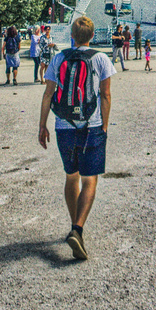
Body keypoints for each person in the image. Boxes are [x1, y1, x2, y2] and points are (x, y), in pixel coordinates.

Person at [39, 15, 115, 261]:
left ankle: (74, 225)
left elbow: (48, 93)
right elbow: (105, 94)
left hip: (64, 126)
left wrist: (43, 126)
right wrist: (104, 124)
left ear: (72, 36)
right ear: (92, 36)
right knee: (90, 180)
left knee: (71, 176)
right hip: (90, 125)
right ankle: (78, 229)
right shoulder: (101, 58)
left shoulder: (59, 58)